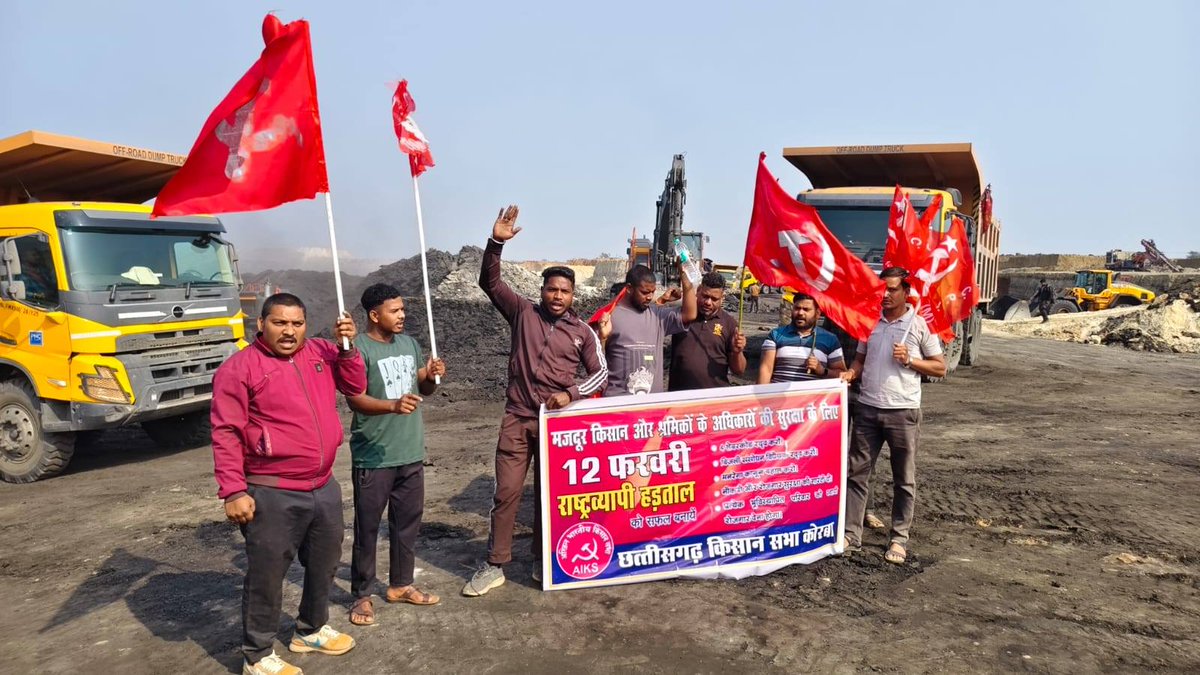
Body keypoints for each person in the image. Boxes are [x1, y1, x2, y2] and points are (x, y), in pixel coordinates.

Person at [211, 293, 366, 675]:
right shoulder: (239, 368)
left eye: (297, 323)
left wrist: (347, 349)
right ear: (260, 324)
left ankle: (310, 630)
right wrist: (233, 490)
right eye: (280, 322)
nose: (289, 331)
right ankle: (257, 654)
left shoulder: (321, 352)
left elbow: (354, 384)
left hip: (322, 485)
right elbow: (226, 431)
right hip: (271, 488)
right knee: (267, 573)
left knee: (324, 563)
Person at [464, 205, 608, 597]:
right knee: (506, 492)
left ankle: (545, 562)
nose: (557, 296)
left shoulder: (583, 332)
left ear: (573, 294)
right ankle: (494, 564)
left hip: (556, 425)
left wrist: (571, 393)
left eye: (564, 291)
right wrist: (496, 243)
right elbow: (490, 283)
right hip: (516, 418)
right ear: (541, 291)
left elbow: (601, 373)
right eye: (551, 289)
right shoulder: (522, 313)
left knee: (550, 498)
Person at [346, 284, 447, 626]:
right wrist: (392, 405)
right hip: (373, 456)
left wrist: (433, 376)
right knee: (368, 528)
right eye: (395, 310)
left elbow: (424, 387)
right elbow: (355, 398)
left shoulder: (409, 344)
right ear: (375, 315)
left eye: (403, 309)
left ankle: (401, 585)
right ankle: (361, 594)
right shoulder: (357, 348)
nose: (402, 315)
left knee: (406, 525)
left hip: (410, 452)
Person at [839, 268, 946, 565]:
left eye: (892, 290)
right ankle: (851, 534)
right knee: (856, 474)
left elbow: (940, 367)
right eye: (882, 290)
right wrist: (851, 373)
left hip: (903, 411)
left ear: (905, 292)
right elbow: (861, 359)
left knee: (904, 479)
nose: (885, 295)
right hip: (868, 409)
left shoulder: (920, 325)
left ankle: (899, 538)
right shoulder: (870, 322)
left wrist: (910, 360)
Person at [598, 264, 697, 396]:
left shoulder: (657, 316)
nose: (650, 297)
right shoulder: (609, 317)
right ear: (629, 288)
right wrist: (602, 338)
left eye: (653, 292)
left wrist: (685, 277)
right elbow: (596, 361)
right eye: (645, 292)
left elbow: (689, 314)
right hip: (618, 405)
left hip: (652, 406)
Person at [668, 271, 746, 391]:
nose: (708, 302)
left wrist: (737, 352)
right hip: (679, 396)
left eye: (714, 299)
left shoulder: (729, 324)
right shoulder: (682, 315)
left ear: (722, 298)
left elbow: (739, 370)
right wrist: (662, 301)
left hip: (713, 399)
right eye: (705, 296)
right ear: (698, 291)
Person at [757, 293, 845, 383]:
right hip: (779, 395)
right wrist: (759, 395)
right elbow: (766, 370)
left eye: (806, 310)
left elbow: (842, 374)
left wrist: (822, 370)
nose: (800, 313)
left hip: (814, 397)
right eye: (797, 308)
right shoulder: (775, 335)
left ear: (817, 314)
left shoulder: (830, 339)